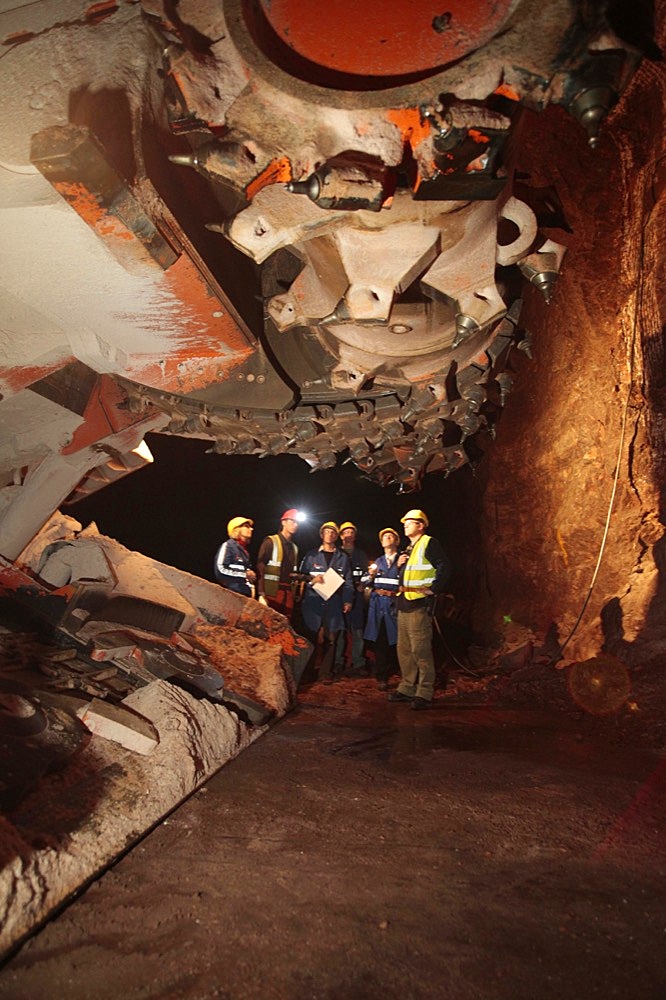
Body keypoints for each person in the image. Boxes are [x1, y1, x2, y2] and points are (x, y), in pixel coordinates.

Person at [388, 509, 449, 711]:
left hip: (419, 604)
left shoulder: (429, 543)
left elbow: (444, 566)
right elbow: (409, 573)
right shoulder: (409, 547)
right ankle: (406, 688)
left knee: (420, 649)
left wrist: (434, 588)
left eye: (409, 522)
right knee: (404, 649)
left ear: (420, 525)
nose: (405, 524)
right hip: (404, 603)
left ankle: (424, 691)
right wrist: (399, 566)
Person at [298, 521, 353, 684]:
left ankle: (325, 672)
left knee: (332, 638)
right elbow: (300, 576)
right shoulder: (311, 555)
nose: (329, 534)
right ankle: (307, 672)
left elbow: (348, 581)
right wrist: (311, 579)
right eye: (326, 531)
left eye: (333, 532)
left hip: (333, 602)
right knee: (310, 637)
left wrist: (348, 600)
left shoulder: (342, 557)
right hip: (313, 602)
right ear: (321, 535)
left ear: (336, 536)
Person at [363, 528, 401, 690]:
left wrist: (401, 568)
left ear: (396, 541)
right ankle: (382, 676)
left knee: (399, 640)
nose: (386, 538)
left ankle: (402, 672)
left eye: (390, 536)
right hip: (378, 606)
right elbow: (364, 582)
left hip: (396, 604)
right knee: (381, 641)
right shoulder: (377, 562)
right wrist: (371, 576)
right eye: (384, 536)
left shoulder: (403, 560)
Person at [334, 520, 369, 676]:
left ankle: (358, 662)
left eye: (351, 532)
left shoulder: (361, 554)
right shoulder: (336, 554)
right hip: (340, 596)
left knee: (357, 630)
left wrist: (364, 583)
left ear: (355, 536)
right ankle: (338, 662)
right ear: (341, 536)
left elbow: (367, 574)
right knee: (340, 631)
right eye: (345, 532)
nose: (348, 535)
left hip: (358, 597)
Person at [256, 508, 301, 617]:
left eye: (297, 523)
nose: (295, 525)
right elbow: (260, 566)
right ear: (283, 522)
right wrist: (261, 593)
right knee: (268, 624)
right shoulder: (271, 541)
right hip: (272, 593)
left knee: (285, 626)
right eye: (292, 521)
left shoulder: (294, 548)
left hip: (288, 594)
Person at [214, 516, 256, 597]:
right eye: (246, 526)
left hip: (244, 595)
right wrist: (245, 574)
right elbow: (220, 569)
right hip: (232, 595)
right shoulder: (228, 546)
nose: (251, 529)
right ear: (236, 529)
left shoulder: (244, 550)